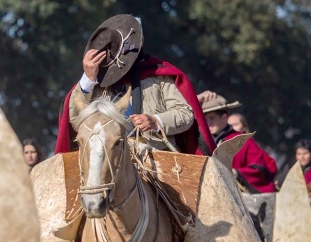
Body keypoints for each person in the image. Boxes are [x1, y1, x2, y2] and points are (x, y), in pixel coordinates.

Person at [55, 14, 216, 156]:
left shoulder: (158, 74)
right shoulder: (97, 83)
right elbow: (74, 119)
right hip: (109, 159)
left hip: (157, 156)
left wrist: (156, 121)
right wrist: (87, 80)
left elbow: (185, 114)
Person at [198, 92, 277, 193]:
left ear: (224, 117)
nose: (208, 123)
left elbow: (260, 170)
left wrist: (236, 173)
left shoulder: (243, 141)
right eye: (205, 119)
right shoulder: (201, 142)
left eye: (212, 118)